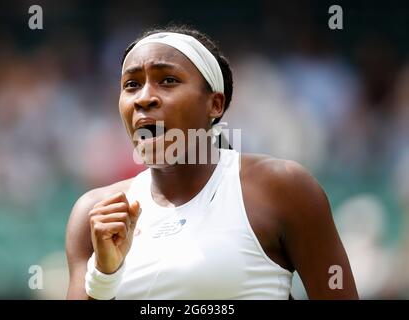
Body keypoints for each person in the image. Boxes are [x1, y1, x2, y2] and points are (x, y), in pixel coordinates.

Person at [65, 25, 358, 300]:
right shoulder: (95, 214)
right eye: (131, 84)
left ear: (215, 104)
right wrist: (105, 274)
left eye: (168, 80)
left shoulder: (284, 188)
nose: (144, 98)